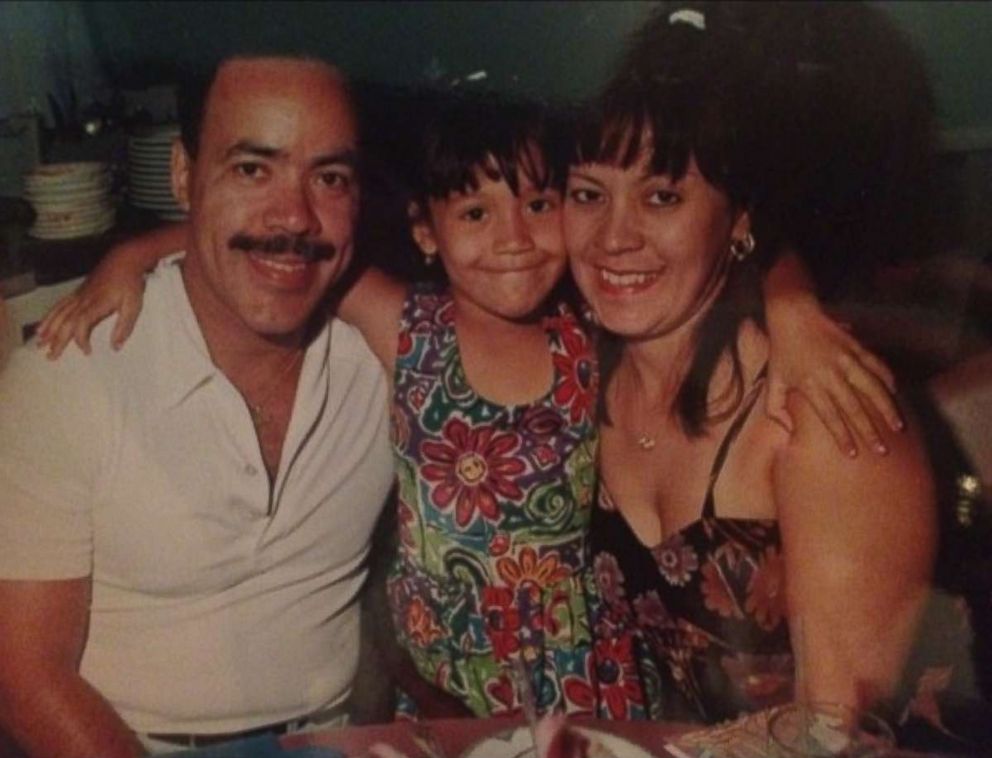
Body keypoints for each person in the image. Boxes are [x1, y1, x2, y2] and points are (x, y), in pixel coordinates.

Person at [34, 86, 905, 721]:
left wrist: (791, 303)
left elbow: (715, 262)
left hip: (588, 707)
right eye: (475, 213)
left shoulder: (593, 336)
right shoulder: (404, 323)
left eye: (540, 204)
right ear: (423, 229)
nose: (515, 240)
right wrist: (136, 253)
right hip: (432, 701)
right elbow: (276, 249)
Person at [0, 56, 393, 756]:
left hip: (336, 741)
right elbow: (24, 672)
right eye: (252, 169)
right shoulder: (68, 378)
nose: (294, 214)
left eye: (329, 177)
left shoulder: (385, 360)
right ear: (183, 175)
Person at [571, 3, 937, 725]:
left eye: (663, 195)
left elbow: (841, 737)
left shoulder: (823, 417)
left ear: (741, 220)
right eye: (588, 194)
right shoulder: (577, 375)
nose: (615, 236)